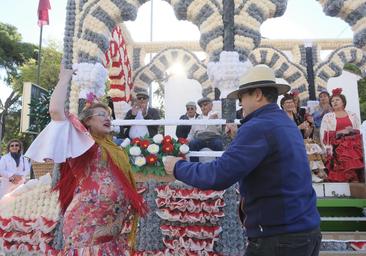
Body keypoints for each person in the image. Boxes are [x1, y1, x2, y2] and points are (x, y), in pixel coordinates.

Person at [164, 65, 321, 256]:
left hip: (279, 237)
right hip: (304, 231)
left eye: (242, 98)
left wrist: (177, 166)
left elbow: (218, 174)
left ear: (257, 94)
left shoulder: (258, 126)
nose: (241, 105)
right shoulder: (284, 122)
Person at [25, 66, 147, 254]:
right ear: (88, 121)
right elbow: (56, 111)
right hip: (86, 226)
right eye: (101, 115)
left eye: (109, 115)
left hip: (111, 228)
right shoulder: (80, 142)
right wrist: (64, 79)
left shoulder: (114, 147)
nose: (108, 118)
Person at [320, 88, 364, 182]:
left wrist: (351, 131)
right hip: (336, 146)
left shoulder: (353, 115)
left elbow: (359, 131)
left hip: (354, 146)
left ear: (343, 102)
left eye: (337, 100)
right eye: (332, 101)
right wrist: (340, 132)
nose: (334, 102)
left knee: (354, 161)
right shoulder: (327, 117)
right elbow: (324, 134)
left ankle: (355, 184)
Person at [187, 97, 223, 162]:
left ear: (211, 105)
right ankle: (194, 167)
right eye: (201, 106)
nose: (203, 107)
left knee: (219, 143)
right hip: (200, 139)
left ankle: (220, 167)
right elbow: (191, 133)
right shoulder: (197, 119)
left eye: (205, 105)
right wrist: (186, 141)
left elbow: (222, 131)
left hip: (214, 138)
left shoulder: (217, 115)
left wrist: (217, 122)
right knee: (192, 144)